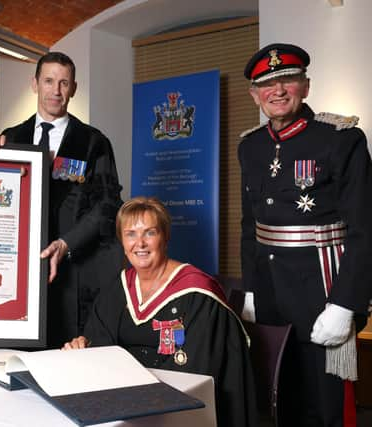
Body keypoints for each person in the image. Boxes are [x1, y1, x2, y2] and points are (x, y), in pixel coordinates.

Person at [239, 43, 372, 426]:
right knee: (281, 404)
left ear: (306, 86)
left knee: (326, 408)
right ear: (255, 95)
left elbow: (364, 229)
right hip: (270, 295)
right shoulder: (251, 146)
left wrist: (346, 303)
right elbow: (251, 226)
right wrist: (250, 289)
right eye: (267, 84)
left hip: (323, 293)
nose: (278, 91)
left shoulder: (341, 139)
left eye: (288, 80)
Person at [63, 196, 257, 427]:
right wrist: (83, 349)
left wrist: (132, 388)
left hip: (173, 405)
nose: (140, 243)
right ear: (122, 243)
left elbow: (196, 371)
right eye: (131, 234)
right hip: (124, 400)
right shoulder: (119, 288)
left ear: (165, 237)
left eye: (150, 233)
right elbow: (100, 343)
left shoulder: (198, 295)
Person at [0, 52, 123, 347]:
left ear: (73, 88)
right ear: (35, 84)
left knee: (70, 362)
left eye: (63, 83)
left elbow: (108, 205)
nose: (55, 91)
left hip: (77, 272)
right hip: (21, 273)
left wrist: (66, 243)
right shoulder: (10, 137)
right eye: (48, 81)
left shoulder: (93, 141)